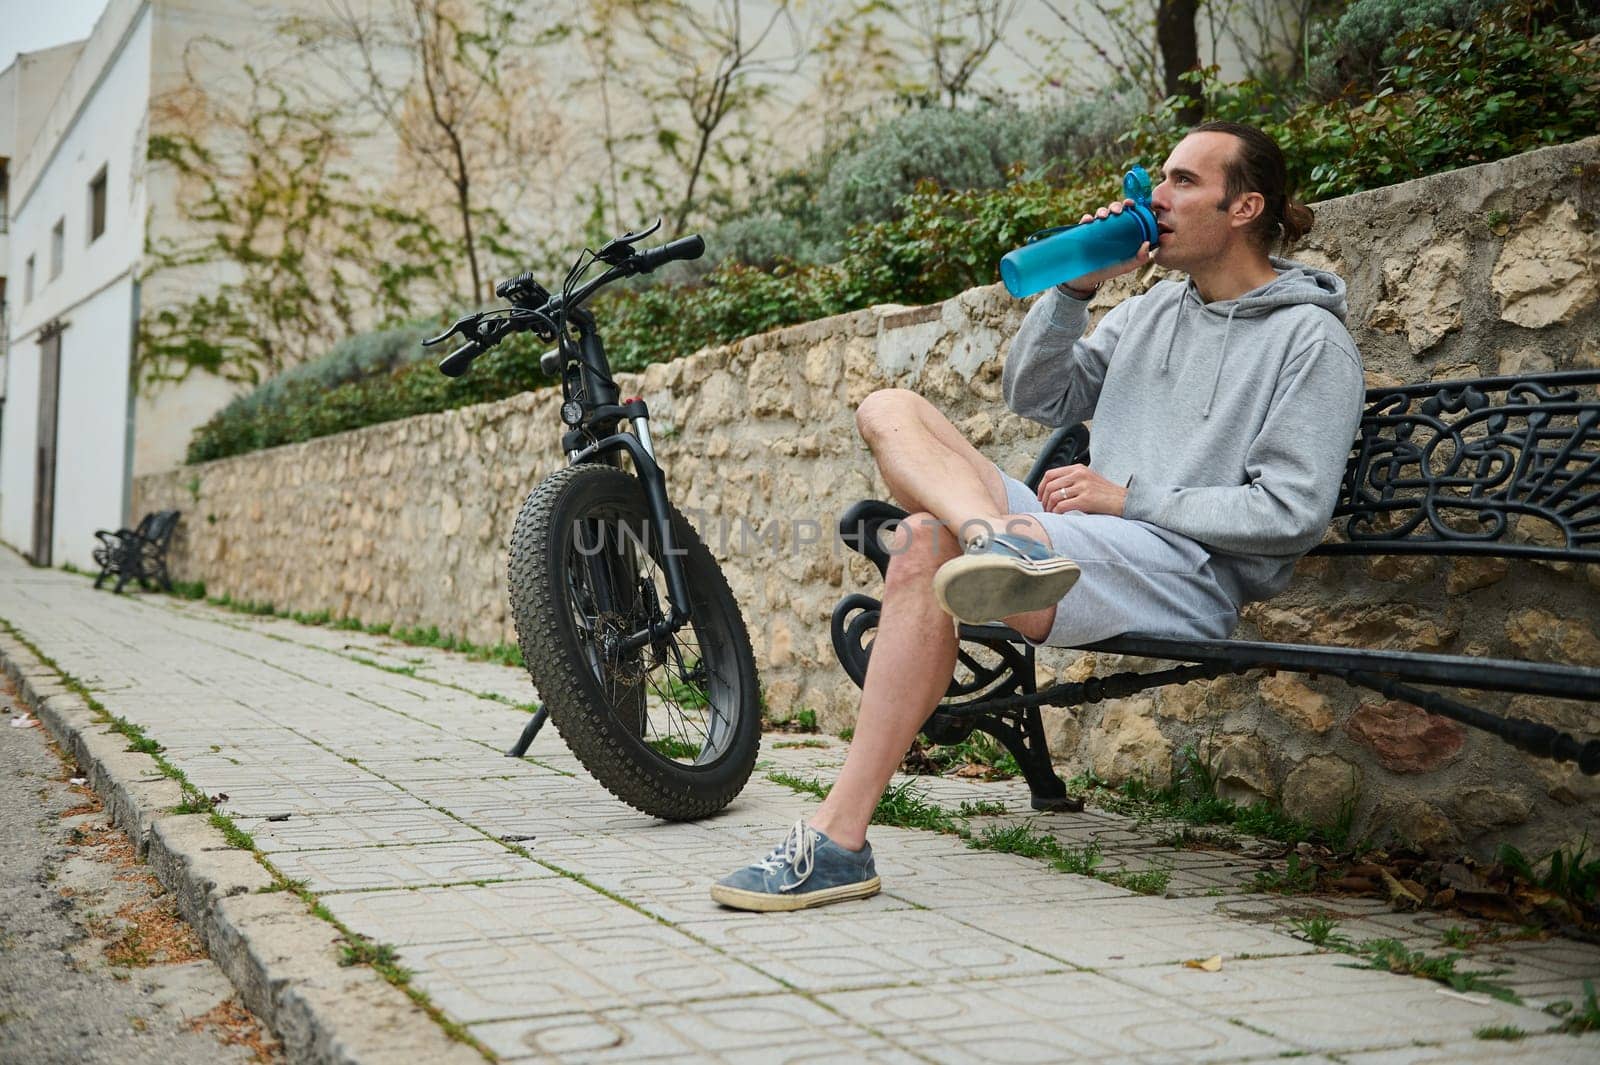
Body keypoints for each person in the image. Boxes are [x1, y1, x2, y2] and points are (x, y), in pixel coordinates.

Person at [710, 120, 1365, 912]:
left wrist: (1129, 497)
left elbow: (1290, 512)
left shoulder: (1309, 339)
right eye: (1160, 176)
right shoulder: (1151, 311)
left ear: (1244, 206)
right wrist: (1078, 288)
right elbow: (1034, 393)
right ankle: (990, 540)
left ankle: (837, 835)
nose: (1156, 195)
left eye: (1184, 181)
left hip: (1183, 566)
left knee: (922, 538)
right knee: (891, 414)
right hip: (1069, 539)